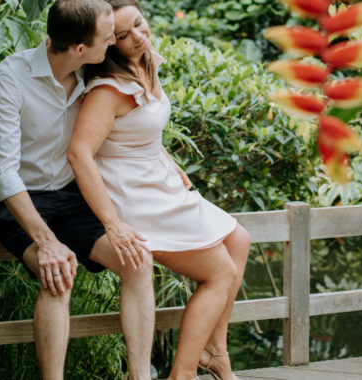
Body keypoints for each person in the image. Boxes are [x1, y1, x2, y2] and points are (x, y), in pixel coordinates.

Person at [66, 1, 251, 379]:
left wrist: (165, 156)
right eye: (122, 36)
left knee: (240, 240)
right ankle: (182, 374)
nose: (137, 37)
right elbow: (80, 153)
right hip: (133, 195)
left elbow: (140, 126)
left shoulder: (145, 60)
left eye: (138, 24)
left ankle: (215, 351)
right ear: (108, 45)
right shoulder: (108, 89)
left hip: (159, 179)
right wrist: (112, 222)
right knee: (219, 273)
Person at [0, 1, 155, 379]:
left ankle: (139, 376)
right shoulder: (12, 77)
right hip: (14, 198)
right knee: (58, 273)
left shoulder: (94, 71)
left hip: (68, 195)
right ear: (79, 48)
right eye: (108, 38)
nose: (114, 43)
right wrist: (46, 242)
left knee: (138, 262)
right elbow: (3, 172)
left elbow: (134, 122)